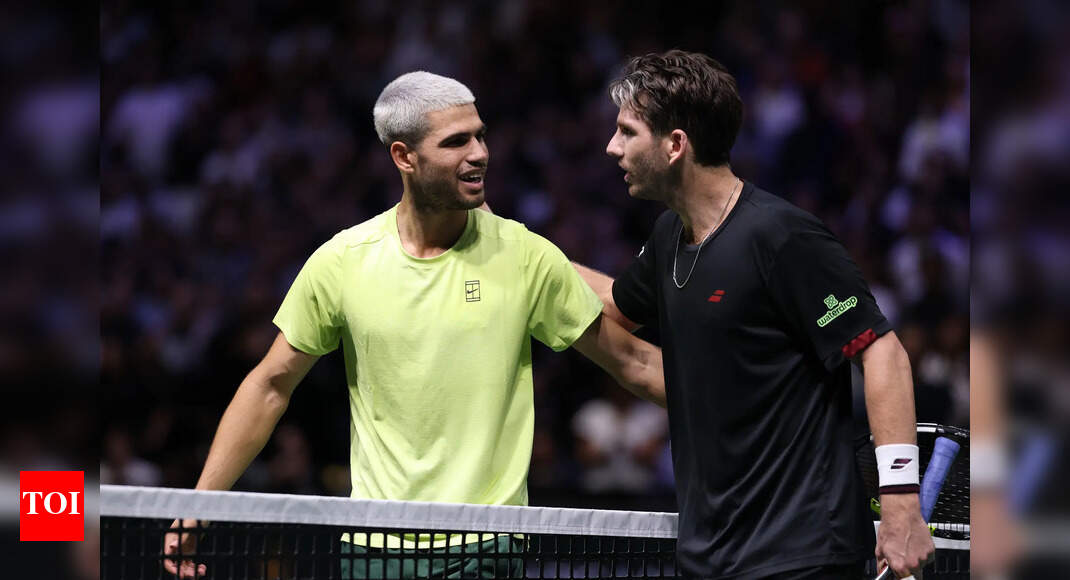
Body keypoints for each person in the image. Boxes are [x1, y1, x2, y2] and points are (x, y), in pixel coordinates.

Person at [164, 71, 665, 579]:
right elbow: (270, 384)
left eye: (480, 134)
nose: (479, 153)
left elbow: (633, 360)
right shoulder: (343, 261)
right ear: (404, 157)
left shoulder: (524, 256)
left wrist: (743, 409)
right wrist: (198, 507)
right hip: (373, 546)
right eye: (455, 141)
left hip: (483, 547)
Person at [574, 50, 934, 579]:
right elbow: (616, 309)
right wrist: (521, 251)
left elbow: (882, 351)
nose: (612, 147)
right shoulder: (669, 235)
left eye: (627, 131)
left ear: (675, 145)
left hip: (801, 550)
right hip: (711, 553)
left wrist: (901, 502)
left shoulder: (782, 237)